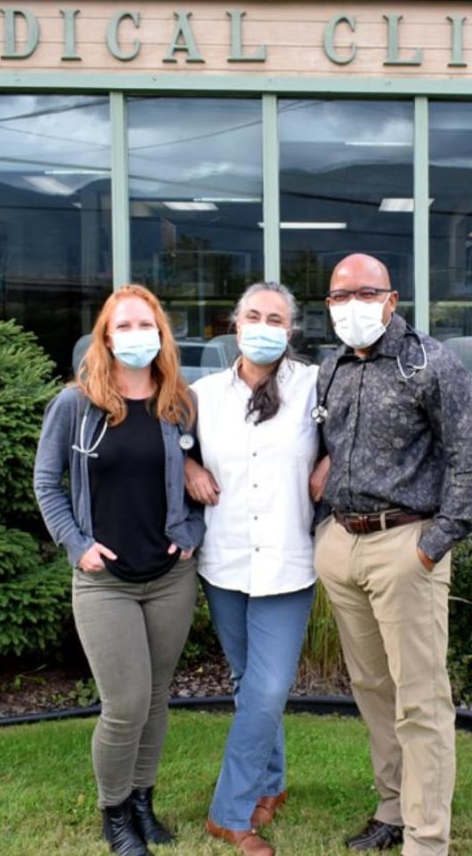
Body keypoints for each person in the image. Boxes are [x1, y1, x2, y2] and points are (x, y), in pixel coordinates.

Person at [311, 254, 472, 856]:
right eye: (339, 296)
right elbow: (323, 450)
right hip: (344, 548)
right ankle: (392, 809)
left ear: (391, 300)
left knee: (420, 700)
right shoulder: (332, 368)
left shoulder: (431, 364)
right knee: (371, 688)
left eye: (364, 293)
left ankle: (426, 838)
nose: (350, 306)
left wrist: (432, 547)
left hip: (406, 547)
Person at [33, 284, 205, 856]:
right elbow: (46, 482)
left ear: (161, 333)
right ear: (105, 337)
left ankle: (142, 803)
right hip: (104, 581)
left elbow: (200, 477)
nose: (137, 335)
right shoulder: (77, 404)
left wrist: (191, 533)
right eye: (124, 326)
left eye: (146, 324)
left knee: (156, 698)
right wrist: (76, 543)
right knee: (125, 703)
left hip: (169, 578)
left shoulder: (178, 401)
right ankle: (113, 815)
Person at [185, 282, 319, 856]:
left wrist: (332, 458)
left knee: (267, 688)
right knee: (248, 684)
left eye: (277, 318)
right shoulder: (200, 394)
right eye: (254, 315)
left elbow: (352, 435)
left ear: (290, 331)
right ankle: (271, 784)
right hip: (226, 562)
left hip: (288, 564)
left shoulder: (315, 386)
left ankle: (229, 812)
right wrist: (189, 466)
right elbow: (171, 446)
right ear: (235, 324)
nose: (265, 325)